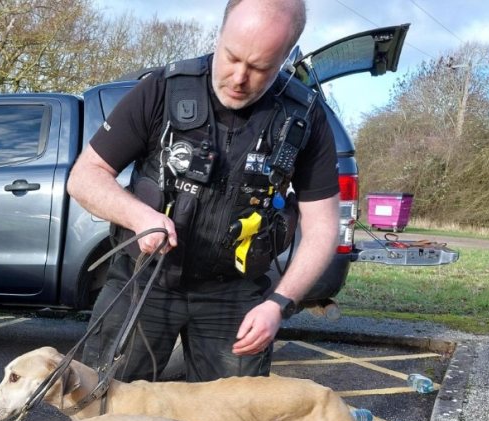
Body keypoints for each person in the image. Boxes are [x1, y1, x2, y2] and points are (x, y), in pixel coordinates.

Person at [67, 0, 340, 385]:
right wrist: (139, 217)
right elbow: (84, 177)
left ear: (285, 57)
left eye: (260, 68)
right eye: (231, 57)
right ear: (220, 32)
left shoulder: (304, 116)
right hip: (144, 283)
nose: (239, 77)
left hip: (235, 296)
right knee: (105, 411)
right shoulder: (160, 89)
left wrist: (278, 304)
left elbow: (323, 227)